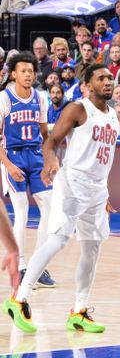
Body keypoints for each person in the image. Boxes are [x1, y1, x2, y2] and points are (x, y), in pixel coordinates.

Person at [4, 65, 120, 334]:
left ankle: (78, 311)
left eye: (109, 78)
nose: (107, 82)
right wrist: (50, 161)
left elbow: (104, 159)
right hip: (72, 183)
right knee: (57, 240)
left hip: (97, 190)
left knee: (93, 248)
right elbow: (51, 141)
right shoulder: (78, 109)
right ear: (88, 84)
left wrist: (105, 192)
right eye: (101, 78)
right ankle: (19, 298)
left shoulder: (113, 115)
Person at [0, 53, 56, 290]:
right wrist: (9, 166)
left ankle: (38, 265)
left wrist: (51, 158)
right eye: (23, 71)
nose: (28, 75)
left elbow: (45, 134)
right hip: (12, 156)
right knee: (21, 211)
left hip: (35, 156)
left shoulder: (40, 97)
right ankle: (21, 266)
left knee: (50, 209)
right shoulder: (4, 98)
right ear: (13, 74)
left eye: (31, 71)